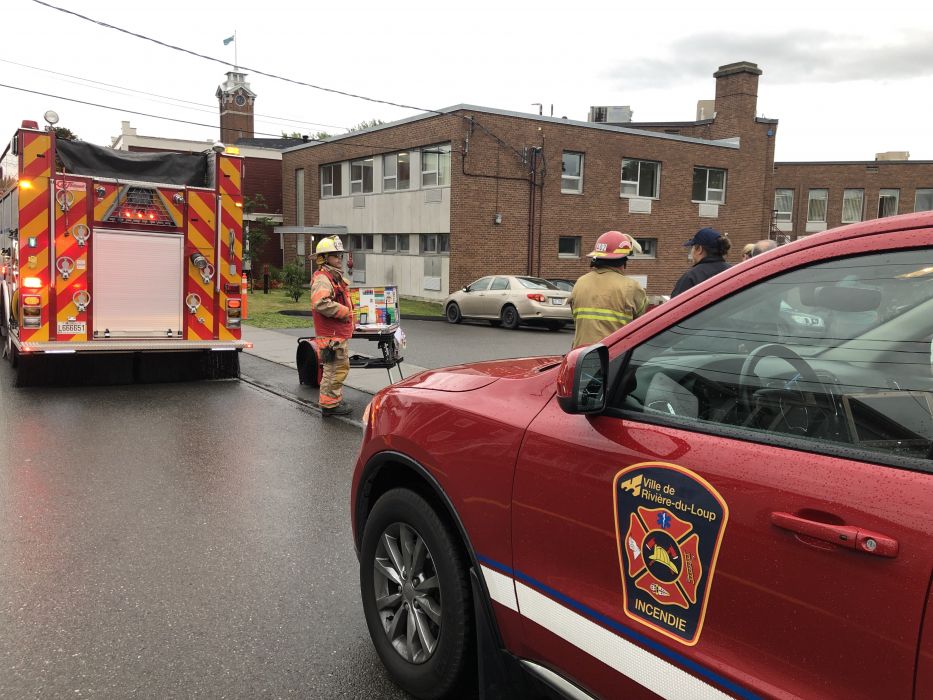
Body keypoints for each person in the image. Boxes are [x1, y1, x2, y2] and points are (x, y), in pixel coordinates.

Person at [569, 230, 647, 349]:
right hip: (613, 358)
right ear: (624, 261)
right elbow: (642, 322)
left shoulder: (580, 282)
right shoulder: (631, 287)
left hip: (580, 357)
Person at [310, 235, 354, 417]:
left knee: (338, 368)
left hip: (335, 334)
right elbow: (320, 303)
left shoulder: (332, 277)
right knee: (333, 369)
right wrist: (345, 312)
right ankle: (329, 406)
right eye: (336, 256)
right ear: (324, 258)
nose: (339, 259)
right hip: (331, 335)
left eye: (340, 256)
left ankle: (333, 401)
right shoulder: (323, 279)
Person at [671, 227, 732, 297]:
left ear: (699, 249)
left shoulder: (691, 277)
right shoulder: (733, 272)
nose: (691, 252)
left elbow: (676, 305)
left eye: (692, 247)